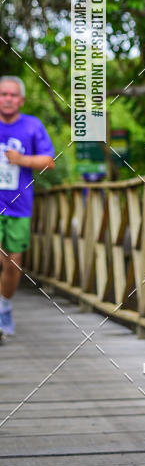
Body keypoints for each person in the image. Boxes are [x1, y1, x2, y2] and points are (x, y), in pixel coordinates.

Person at [0, 75, 55, 337]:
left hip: (18, 207)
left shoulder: (32, 126)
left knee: (13, 264)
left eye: (13, 95)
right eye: (3, 94)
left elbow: (49, 161)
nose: (8, 99)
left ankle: (4, 306)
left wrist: (21, 159)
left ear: (21, 100)